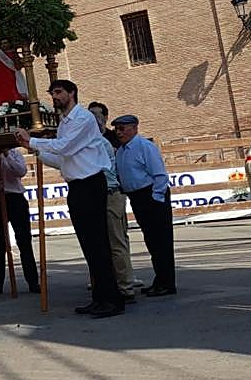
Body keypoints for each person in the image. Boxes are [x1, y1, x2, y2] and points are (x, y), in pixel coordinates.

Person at [14, 80, 125, 318]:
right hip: (76, 185)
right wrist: (35, 150)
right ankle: (99, 297)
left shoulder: (83, 119)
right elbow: (64, 159)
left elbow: (64, 147)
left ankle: (113, 299)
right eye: (52, 93)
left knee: (98, 243)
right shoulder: (65, 122)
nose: (55, 97)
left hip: (91, 183)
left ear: (71, 93)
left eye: (58, 92)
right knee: (88, 244)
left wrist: (32, 140)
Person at [111, 115, 176, 297]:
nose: (119, 132)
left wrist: (156, 199)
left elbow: (160, 175)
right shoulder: (122, 151)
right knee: (151, 241)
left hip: (151, 196)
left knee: (161, 241)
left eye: (123, 128)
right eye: (117, 129)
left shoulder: (145, 147)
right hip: (136, 197)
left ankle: (167, 283)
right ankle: (160, 279)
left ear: (134, 128)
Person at [87, 101, 139, 299]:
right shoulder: (97, 142)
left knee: (116, 242)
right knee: (109, 242)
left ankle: (125, 286)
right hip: (104, 194)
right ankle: (116, 282)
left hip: (109, 193)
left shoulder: (99, 143)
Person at [0, 146, 40, 295]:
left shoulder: (14, 153)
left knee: (24, 241)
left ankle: (33, 281)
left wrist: (6, 155)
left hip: (15, 198)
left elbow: (21, 171)